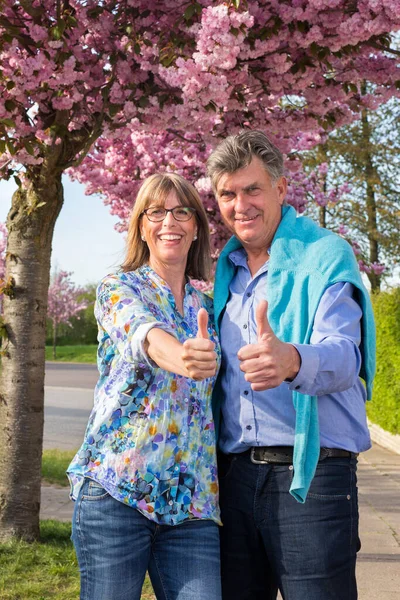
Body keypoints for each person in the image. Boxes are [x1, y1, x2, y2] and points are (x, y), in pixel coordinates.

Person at [206, 130, 376, 600]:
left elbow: (345, 354)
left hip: (313, 478)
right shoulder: (226, 270)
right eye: (228, 194)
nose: (241, 205)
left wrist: (293, 359)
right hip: (234, 477)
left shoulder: (325, 255)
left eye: (253, 189)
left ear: (281, 189)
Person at [67, 173, 222, 600]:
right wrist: (184, 358)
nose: (168, 221)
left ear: (195, 229)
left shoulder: (207, 306)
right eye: (156, 211)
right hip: (117, 493)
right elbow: (144, 334)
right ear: (140, 225)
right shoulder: (118, 288)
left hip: (191, 504)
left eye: (181, 211)